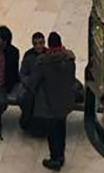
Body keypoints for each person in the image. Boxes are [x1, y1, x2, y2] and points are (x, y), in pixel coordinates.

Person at [26, 31, 76, 170]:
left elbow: (33, 83)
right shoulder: (69, 60)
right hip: (64, 101)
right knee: (62, 129)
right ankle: (61, 156)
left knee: (52, 133)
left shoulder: (43, 62)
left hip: (49, 103)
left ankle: (55, 159)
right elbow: (71, 80)